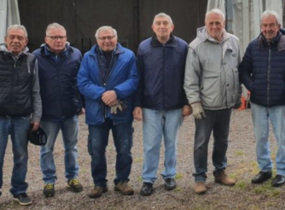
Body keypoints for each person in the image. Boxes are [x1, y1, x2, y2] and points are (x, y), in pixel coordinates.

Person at [0, 25, 42, 210]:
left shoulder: (31, 60)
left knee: (21, 156)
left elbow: (36, 91)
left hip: (22, 118)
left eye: (20, 38)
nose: (15, 41)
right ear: (5, 39)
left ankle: (19, 191)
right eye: (12, 37)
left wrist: (36, 116)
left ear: (26, 42)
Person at [238, 10, 285, 188]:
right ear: (261, 27)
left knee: (283, 138)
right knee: (261, 137)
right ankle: (265, 169)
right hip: (258, 101)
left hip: (281, 102)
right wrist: (252, 86)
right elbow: (243, 70)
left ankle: (282, 171)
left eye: (271, 25)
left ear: (278, 26)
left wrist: (284, 87)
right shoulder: (253, 46)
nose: (268, 29)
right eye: (265, 25)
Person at [77, 26, 140, 198]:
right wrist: (103, 94)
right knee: (96, 150)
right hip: (96, 112)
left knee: (124, 149)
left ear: (116, 37)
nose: (107, 41)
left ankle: (122, 181)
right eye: (103, 38)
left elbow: (134, 79)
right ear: (97, 40)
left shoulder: (128, 56)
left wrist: (117, 92)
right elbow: (82, 82)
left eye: (110, 37)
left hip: (121, 112)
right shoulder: (87, 57)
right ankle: (99, 183)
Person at [184, 9, 241, 195]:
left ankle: (220, 171)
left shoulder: (234, 41)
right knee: (201, 142)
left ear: (224, 22)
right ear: (205, 24)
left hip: (225, 103)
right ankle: (200, 178)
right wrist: (195, 103)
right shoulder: (196, 47)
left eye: (218, 22)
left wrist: (237, 94)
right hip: (206, 105)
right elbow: (190, 78)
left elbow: (237, 70)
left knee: (222, 140)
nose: (215, 26)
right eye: (211, 23)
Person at [134, 13, 191, 196]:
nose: (162, 26)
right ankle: (148, 178)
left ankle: (169, 175)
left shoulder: (182, 47)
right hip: (151, 105)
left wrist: (186, 102)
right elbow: (138, 78)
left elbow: (188, 77)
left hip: (175, 105)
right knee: (151, 144)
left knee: (171, 143)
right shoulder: (144, 48)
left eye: (165, 23)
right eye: (158, 23)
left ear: (172, 27)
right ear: (153, 27)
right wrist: (137, 104)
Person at [33, 23, 84, 198]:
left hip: (70, 110)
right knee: (46, 148)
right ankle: (49, 180)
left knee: (72, 147)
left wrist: (81, 103)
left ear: (66, 38)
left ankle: (72, 177)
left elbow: (81, 81)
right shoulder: (35, 57)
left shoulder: (76, 54)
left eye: (62, 37)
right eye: (54, 37)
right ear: (46, 39)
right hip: (47, 113)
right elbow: (32, 86)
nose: (58, 40)